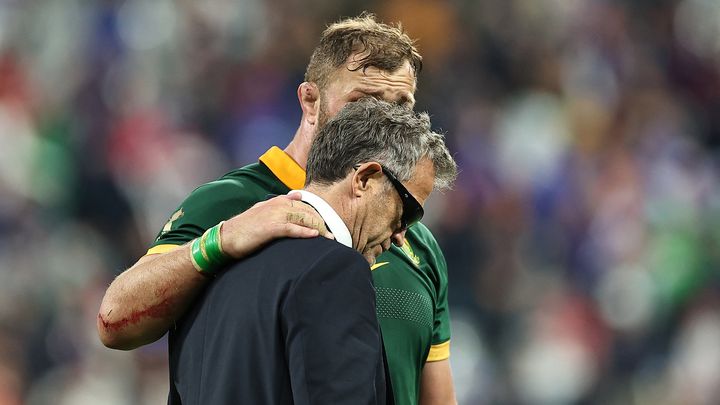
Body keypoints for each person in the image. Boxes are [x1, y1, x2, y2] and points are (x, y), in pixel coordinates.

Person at [98, 13, 457, 404]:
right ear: (310, 100)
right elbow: (115, 321)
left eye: (401, 105)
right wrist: (221, 240)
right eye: (364, 102)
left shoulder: (414, 240)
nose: (385, 121)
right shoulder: (229, 203)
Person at [169, 98, 456, 404]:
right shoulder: (335, 271)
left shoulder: (214, 271)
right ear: (364, 179)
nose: (401, 235)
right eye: (408, 212)